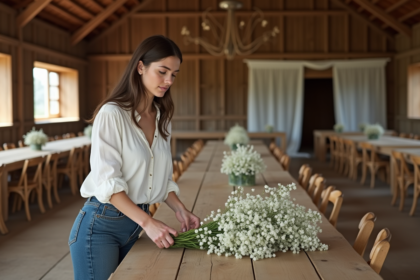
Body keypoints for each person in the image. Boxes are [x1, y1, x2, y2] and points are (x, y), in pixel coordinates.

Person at [68, 35, 200, 280]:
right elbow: (108, 182)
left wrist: (180, 209)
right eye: (162, 71)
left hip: (135, 224)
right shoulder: (112, 114)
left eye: (174, 74)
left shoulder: (163, 117)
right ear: (140, 67)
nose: (169, 80)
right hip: (100, 226)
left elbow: (158, 177)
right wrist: (149, 223)